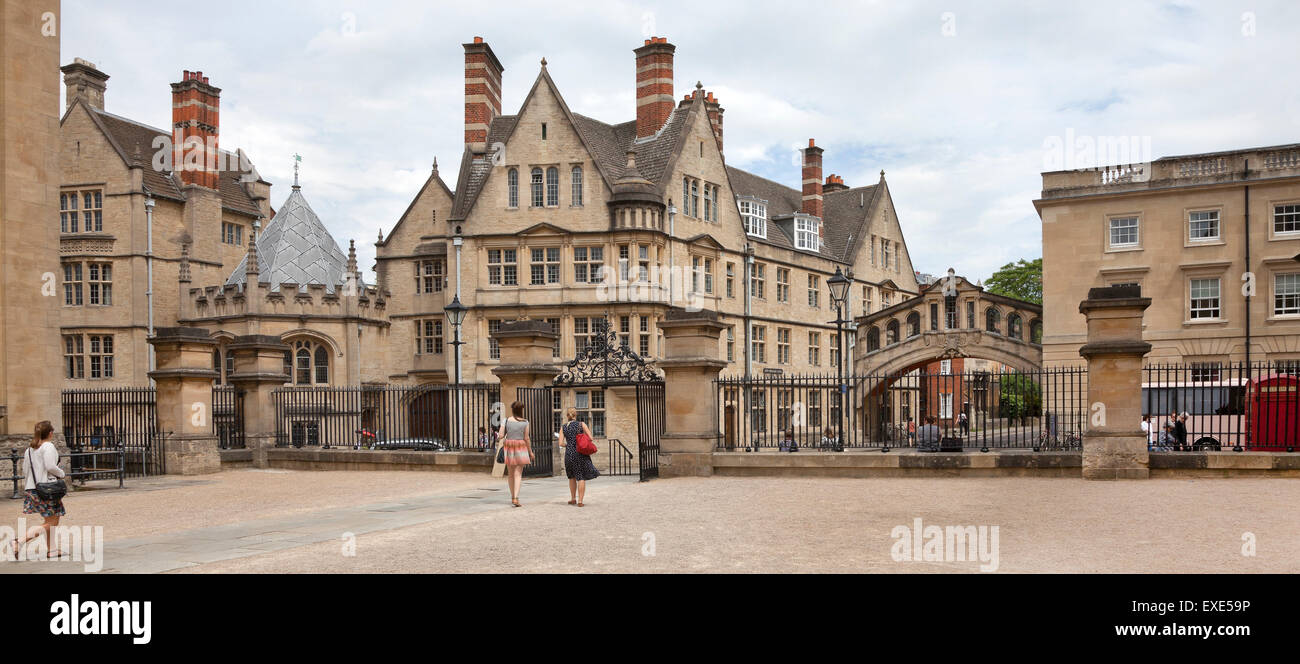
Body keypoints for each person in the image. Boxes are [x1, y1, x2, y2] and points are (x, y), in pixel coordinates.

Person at [9, 421, 66, 559]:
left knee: (49, 519)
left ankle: (52, 550)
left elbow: (25, 470)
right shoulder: (48, 446)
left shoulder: (29, 450)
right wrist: (61, 473)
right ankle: (19, 541)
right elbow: (50, 466)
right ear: (51, 433)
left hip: (33, 488)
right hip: (47, 489)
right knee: (53, 521)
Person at [495, 401, 534, 507]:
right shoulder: (526, 422)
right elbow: (526, 438)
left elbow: (501, 435)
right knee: (518, 474)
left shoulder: (506, 420)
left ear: (512, 409)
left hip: (509, 445)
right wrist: (530, 452)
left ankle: (512, 496)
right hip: (521, 446)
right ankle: (516, 497)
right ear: (521, 410)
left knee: (511, 474)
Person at [558, 407, 599, 507]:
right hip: (579, 453)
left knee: (571, 477)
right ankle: (580, 501)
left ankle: (573, 499)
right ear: (575, 415)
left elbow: (561, 443)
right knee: (580, 477)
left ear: (567, 416)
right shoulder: (581, 424)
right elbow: (591, 438)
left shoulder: (563, 427)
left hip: (569, 454)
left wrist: (569, 445)